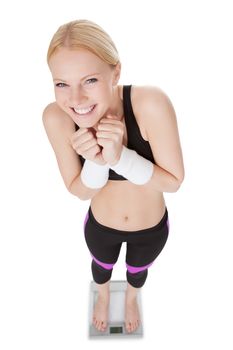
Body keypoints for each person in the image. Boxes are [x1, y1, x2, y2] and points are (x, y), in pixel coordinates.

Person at [43, 19, 185, 334]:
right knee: (101, 269)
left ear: (116, 73)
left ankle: (133, 298)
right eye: (61, 83)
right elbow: (79, 191)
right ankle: (103, 296)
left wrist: (121, 158)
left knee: (137, 272)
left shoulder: (149, 103)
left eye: (90, 80)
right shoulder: (56, 117)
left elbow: (174, 182)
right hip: (100, 227)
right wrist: (95, 161)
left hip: (151, 229)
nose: (76, 100)